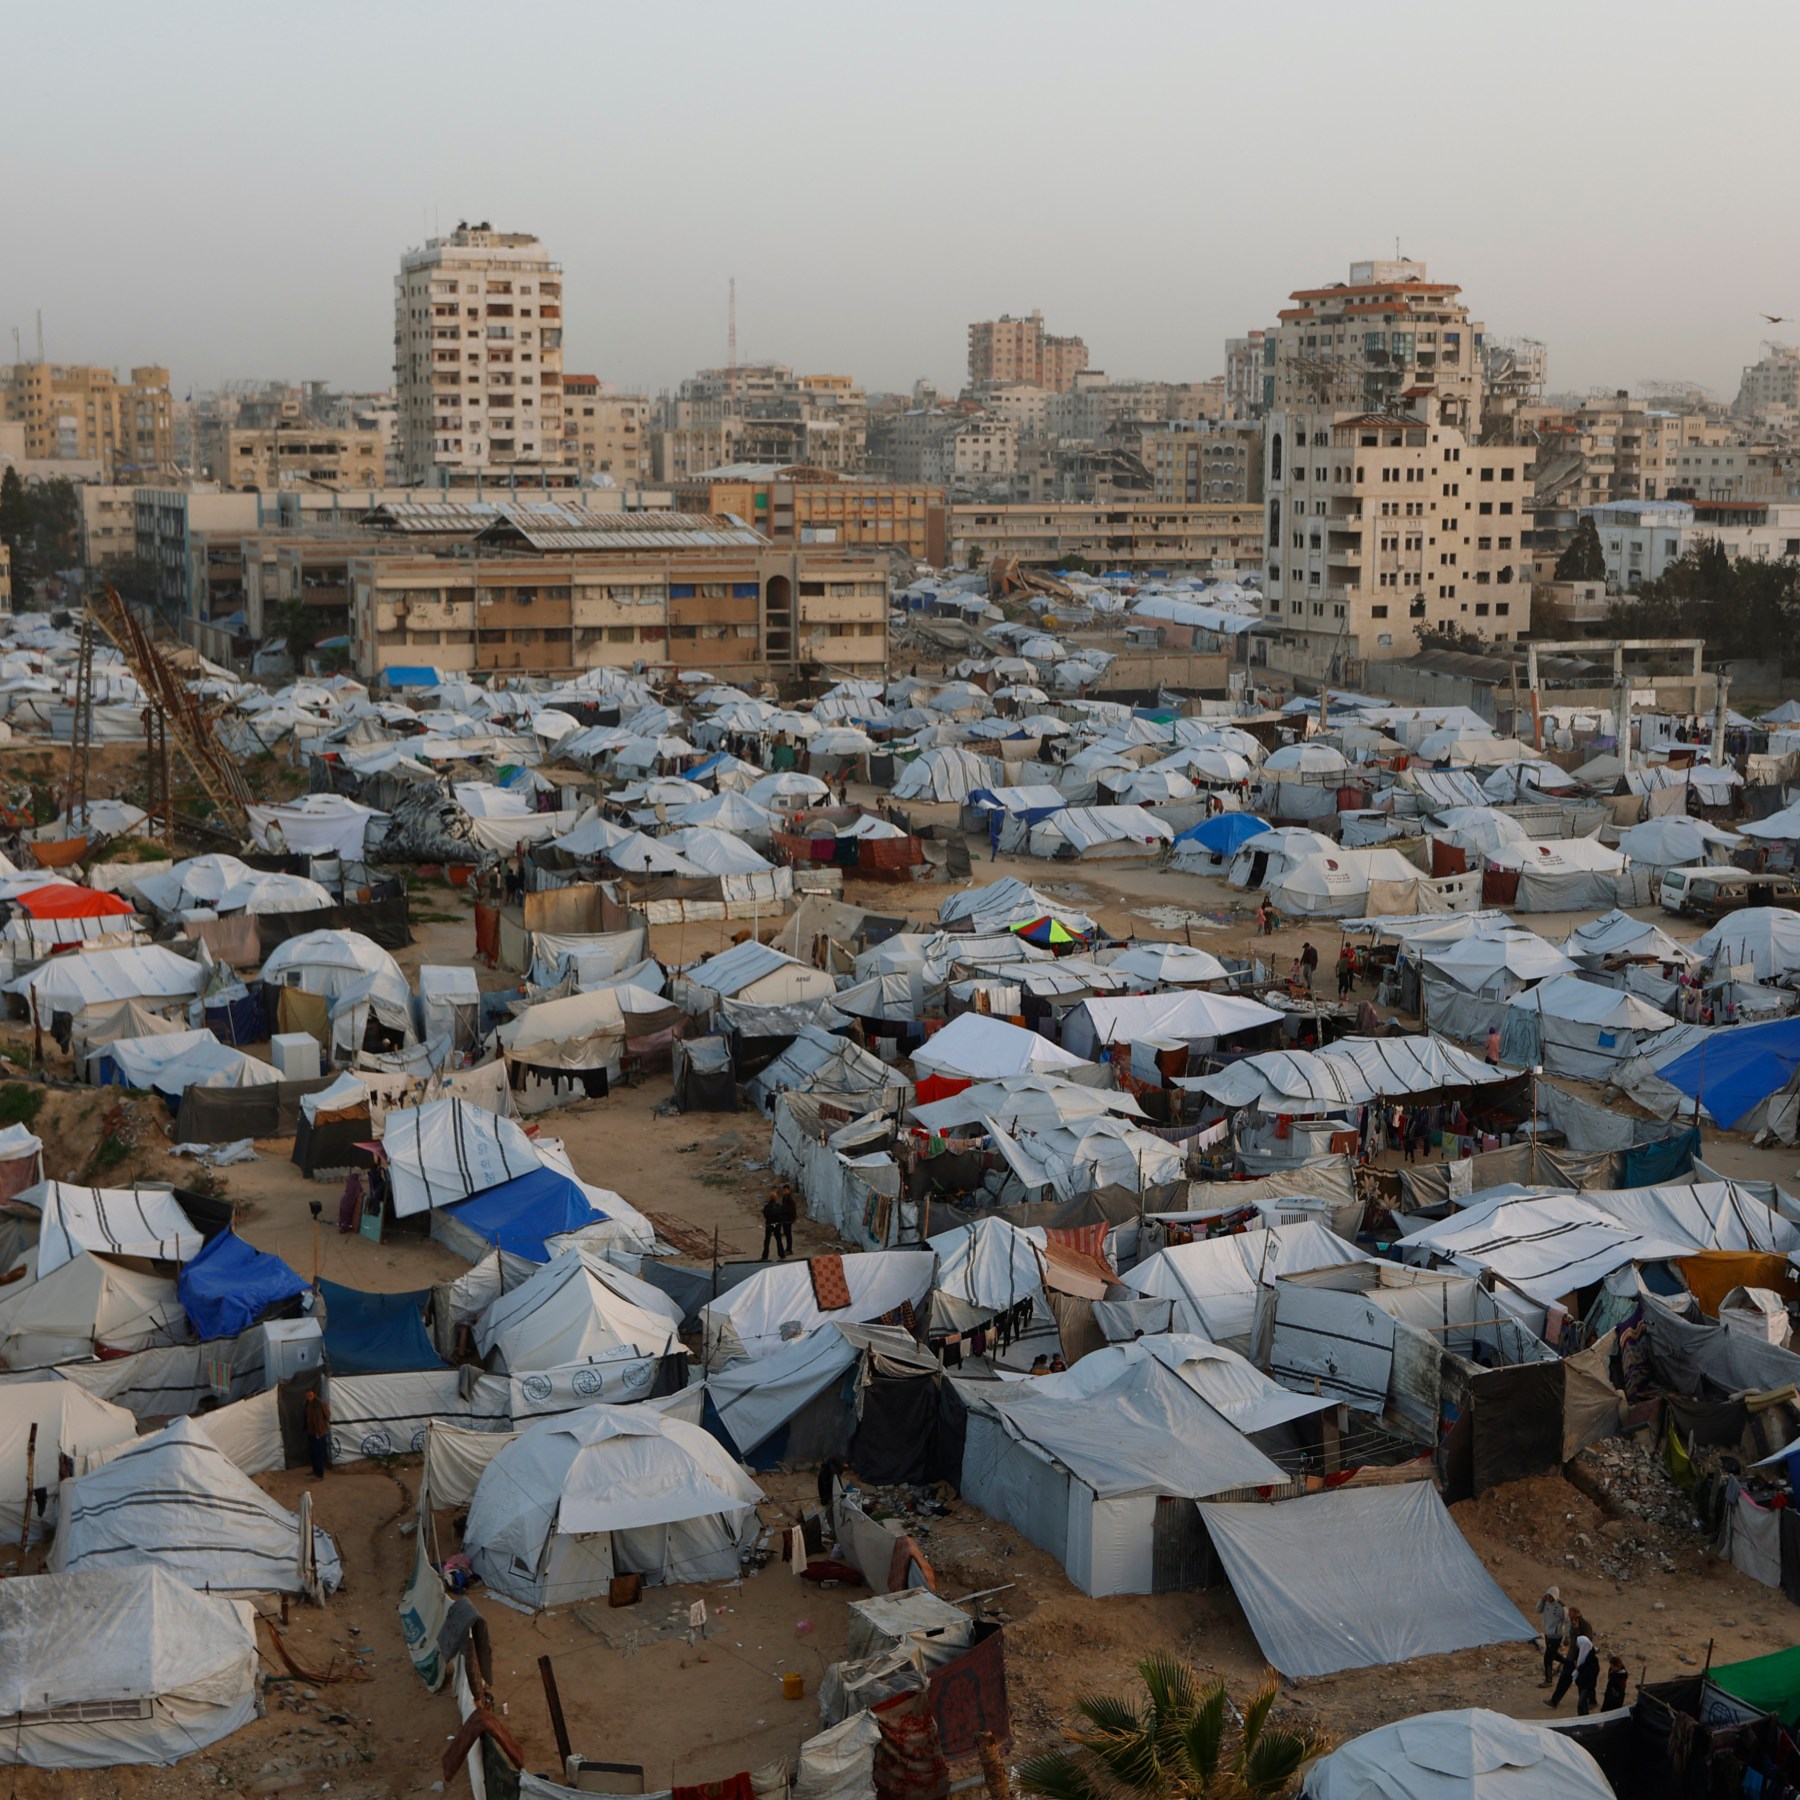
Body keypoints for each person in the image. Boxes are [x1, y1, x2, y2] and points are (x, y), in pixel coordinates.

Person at [1549, 1612, 1592, 1711]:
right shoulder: (1573, 1624)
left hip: (1579, 1658)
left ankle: (1587, 1703)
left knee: (1582, 1683)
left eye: (1572, 1617)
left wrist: (1576, 1629)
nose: (1570, 1619)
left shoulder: (1585, 1625)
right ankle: (1554, 1700)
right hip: (1571, 1657)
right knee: (1564, 1680)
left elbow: (1585, 1641)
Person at [1535, 1586, 1568, 1687]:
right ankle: (1569, 1663)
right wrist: (1542, 1600)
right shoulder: (1546, 1603)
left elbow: (1568, 1621)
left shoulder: (1561, 1607)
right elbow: (1538, 1610)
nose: (1548, 1598)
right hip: (1547, 1634)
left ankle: (1548, 1680)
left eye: (1550, 1596)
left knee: (1547, 1658)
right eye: (1547, 1596)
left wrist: (1567, 1636)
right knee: (1553, 1654)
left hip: (1556, 1636)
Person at [304, 1388, 332, 1479]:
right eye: (307, 1394)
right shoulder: (307, 1403)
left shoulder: (321, 1403)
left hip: (319, 1432)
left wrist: (321, 1425)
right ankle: (315, 1470)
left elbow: (327, 1415)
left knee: (319, 1453)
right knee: (313, 1452)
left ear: (314, 1393)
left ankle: (320, 1474)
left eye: (310, 1393)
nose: (309, 1395)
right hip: (310, 1431)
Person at [760, 1189, 785, 1261]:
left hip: (769, 1225)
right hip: (777, 1225)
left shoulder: (767, 1207)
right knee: (779, 1240)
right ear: (776, 1198)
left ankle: (765, 1256)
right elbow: (781, 1215)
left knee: (767, 1241)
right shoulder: (779, 1206)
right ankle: (781, 1254)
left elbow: (765, 1214)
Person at [338, 1169, 364, 1235]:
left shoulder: (349, 1182)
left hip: (343, 1201)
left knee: (343, 1215)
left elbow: (346, 1190)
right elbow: (360, 1192)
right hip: (350, 1202)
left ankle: (342, 1226)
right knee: (348, 1215)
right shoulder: (357, 1184)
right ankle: (345, 1228)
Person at [776, 1183, 798, 1259]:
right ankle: (788, 1249)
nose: (784, 1192)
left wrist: (792, 1219)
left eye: (785, 1190)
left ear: (789, 1190)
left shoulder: (790, 1200)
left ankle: (789, 1249)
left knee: (788, 1234)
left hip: (788, 1219)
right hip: (785, 1219)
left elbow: (792, 1210)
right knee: (786, 1233)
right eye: (783, 1191)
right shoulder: (784, 1198)